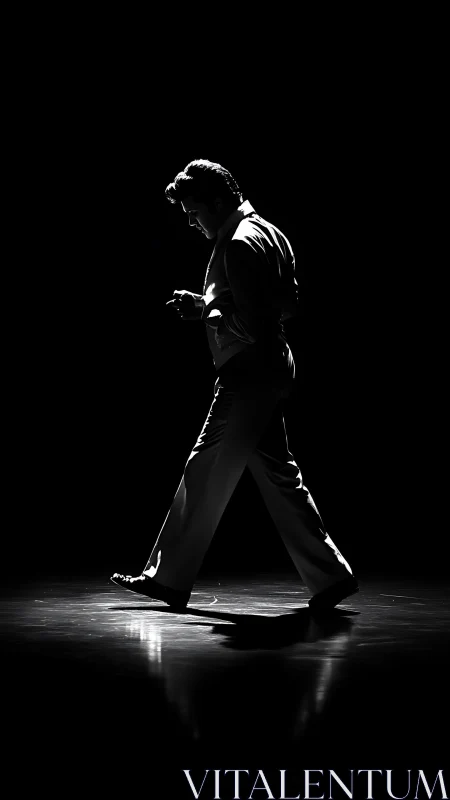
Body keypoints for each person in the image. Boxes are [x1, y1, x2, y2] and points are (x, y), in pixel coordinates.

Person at [111, 159, 358, 612]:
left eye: (194, 211)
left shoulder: (240, 244)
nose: (190, 221)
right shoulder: (269, 232)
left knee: (202, 467)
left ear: (218, 201)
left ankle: (166, 579)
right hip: (271, 369)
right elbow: (289, 304)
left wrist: (202, 312)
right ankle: (331, 577)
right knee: (279, 475)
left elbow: (254, 323)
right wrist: (213, 302)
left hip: (248, 376)